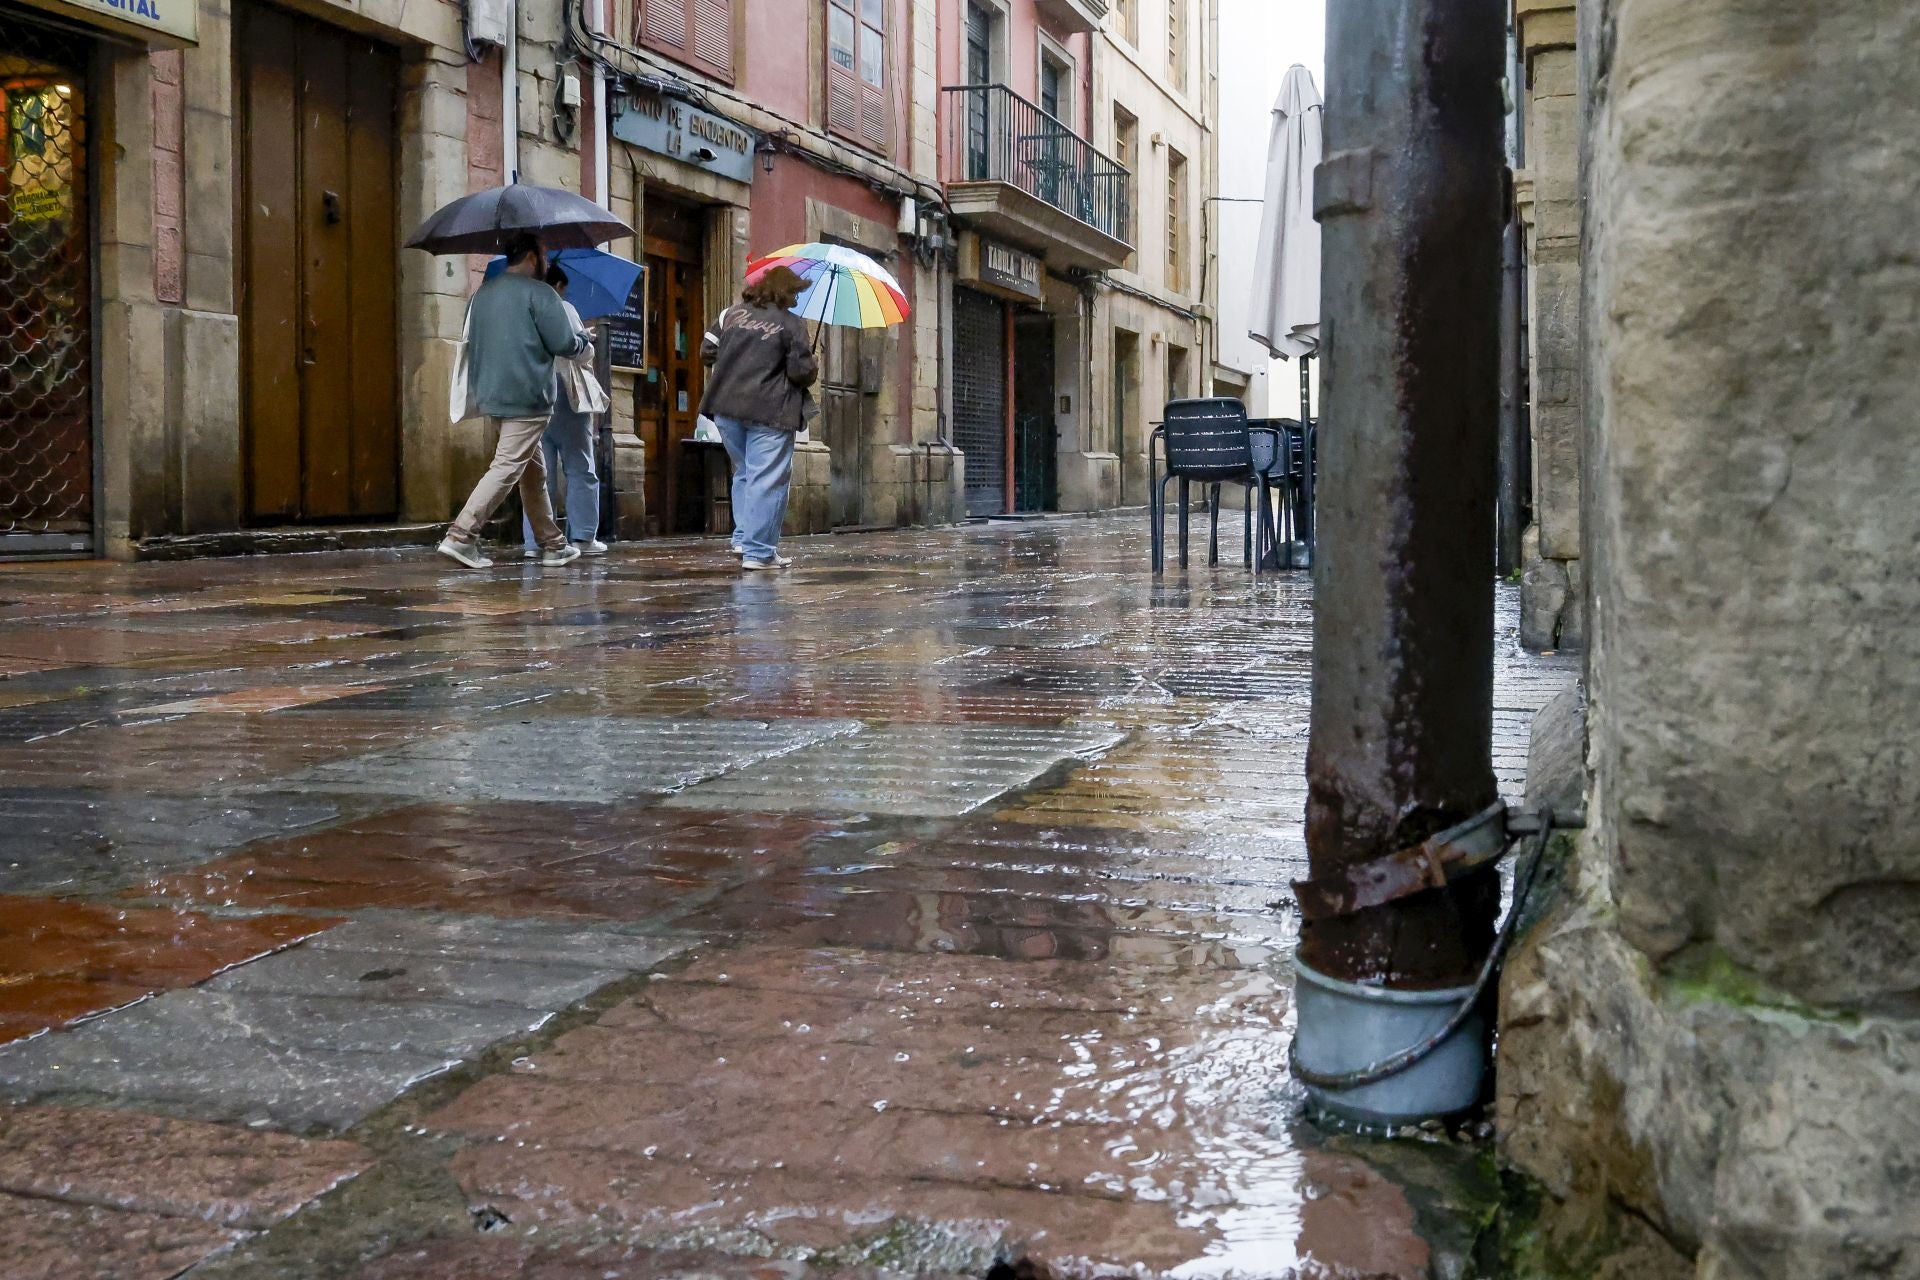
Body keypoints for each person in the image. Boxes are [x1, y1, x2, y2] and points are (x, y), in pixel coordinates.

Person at [438, 233, 594, 570]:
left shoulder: (483, 294)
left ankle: (553, 543)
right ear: (532, 257)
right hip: (529, 395)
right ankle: (461, 535)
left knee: (531, 472)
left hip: (492, 395)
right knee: (507, 466)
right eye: (545, 255)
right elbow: (564, 344)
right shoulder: (541, 294)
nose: (548, 262)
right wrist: (584, 340)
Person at [699, 265, 817, 571]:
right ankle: (759, 551)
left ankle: (742, 538)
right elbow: (800, 373)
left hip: (726, 407)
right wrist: (810, 361)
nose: (794, 300)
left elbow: (707, 351)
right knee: (768, 479)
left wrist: (736, 361)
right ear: (782, 291)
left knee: (746, 472)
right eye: (793, 293)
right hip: (770, 410)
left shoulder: (729, 315)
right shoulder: (792, 325)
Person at [520, 262, 605, 559]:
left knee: (538, 471)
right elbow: (578, 350)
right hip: (564, 391)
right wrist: (587, 340)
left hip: (532, 393)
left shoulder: (521, 308)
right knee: (580, 464)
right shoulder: (563, 307)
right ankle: (582, 536)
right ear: (557, 286)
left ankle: (536, 541)